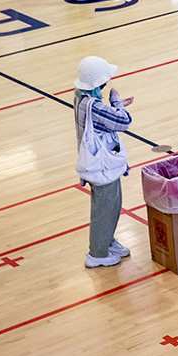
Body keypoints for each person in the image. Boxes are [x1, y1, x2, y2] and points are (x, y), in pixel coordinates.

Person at [73, 56, 134, 268]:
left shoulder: (81, 98)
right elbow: (123, 121)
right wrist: (116, 102)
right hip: (101, 167)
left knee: (112, 205)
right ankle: (97, 253)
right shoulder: (94, 105)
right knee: (105, 209)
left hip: (101, 164)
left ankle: (107, 241)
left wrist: (114, 108)